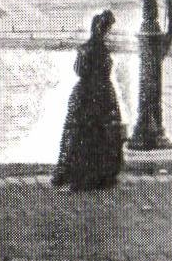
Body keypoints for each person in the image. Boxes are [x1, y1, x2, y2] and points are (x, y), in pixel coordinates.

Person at [52, 10, 125, 191]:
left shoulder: (85, 48)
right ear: (104, 30)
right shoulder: (102, 50)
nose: (110, 34)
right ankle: (99, 174)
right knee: (100, 133)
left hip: (84, 94)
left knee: (80, 133)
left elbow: (78, 71)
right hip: (102, 94)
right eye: (108, 30)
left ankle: (74, 172)